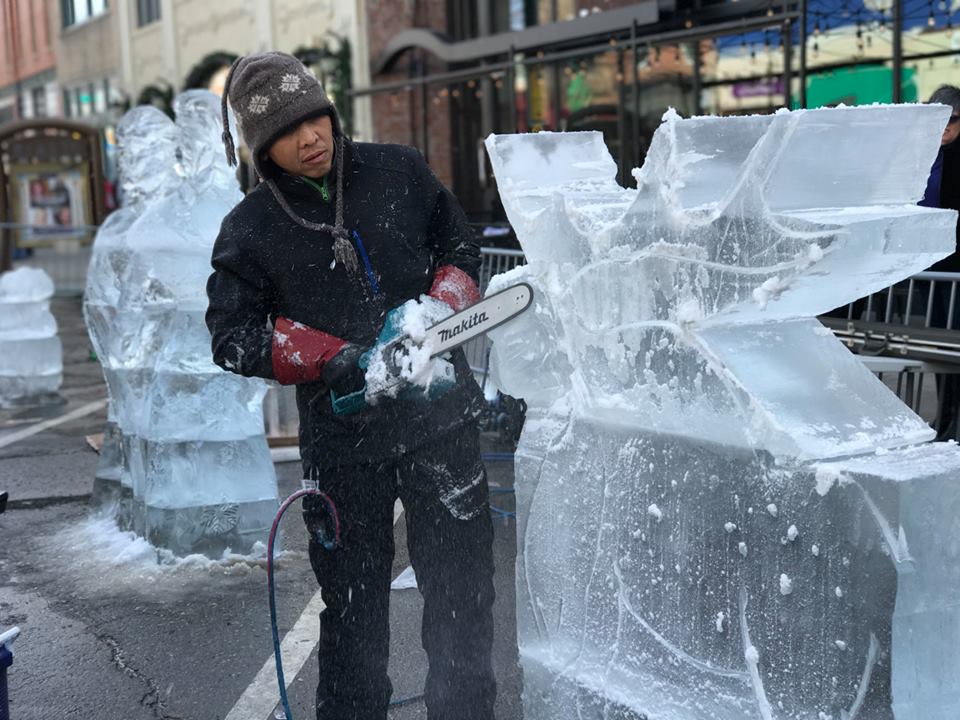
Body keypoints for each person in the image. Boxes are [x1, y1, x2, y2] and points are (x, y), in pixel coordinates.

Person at [205, 52, 496, 720]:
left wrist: (440, 307)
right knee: (354, 615)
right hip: (343, 450)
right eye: (288, 128)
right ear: (261, 147)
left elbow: (460, 246)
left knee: (461, 597)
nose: (310, 137)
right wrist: (323, 356)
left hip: (440, 424)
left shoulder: (398, 171)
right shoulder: (248, 229)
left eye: (315, 117)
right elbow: (232, 334)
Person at [920, 85, 960, 440]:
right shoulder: (920, 154)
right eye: (938, 119)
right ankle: (945, 417)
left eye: (953, 118)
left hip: (954, 263)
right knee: (935, 347)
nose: (945, 126)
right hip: (929, 263)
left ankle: (955, 419)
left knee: (955, 344)